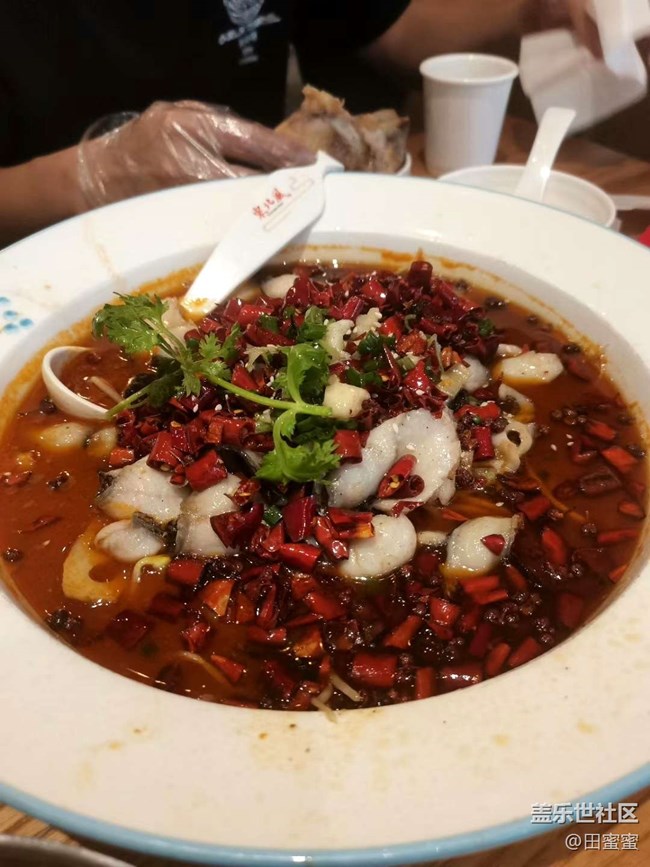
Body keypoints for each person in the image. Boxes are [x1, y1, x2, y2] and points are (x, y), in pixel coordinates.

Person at [0, 0, 593, 246]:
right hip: (44, 247)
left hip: (265, 229)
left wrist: (543, 4)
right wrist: (83, 177)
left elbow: (394, 28)